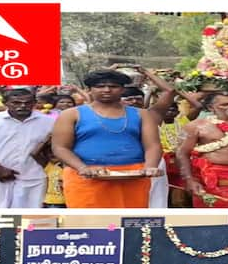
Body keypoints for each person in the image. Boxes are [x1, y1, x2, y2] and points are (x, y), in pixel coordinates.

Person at [51, 70, 163, 208]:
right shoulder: (71, 114)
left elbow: (153, 145)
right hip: (85, 177)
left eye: (113, 86)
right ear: (89, 90)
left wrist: (150, 167)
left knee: (128, 222)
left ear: (122, 89)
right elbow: (60, 147)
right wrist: (82, 168)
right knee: (90, 223)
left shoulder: (142, 114)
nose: (107, 90)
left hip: (133, 176)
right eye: (100, 86)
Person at [0, 88, 54, 208]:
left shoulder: (49, 122)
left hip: (35, 175)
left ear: (34, 103)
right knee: (3, 210)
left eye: (28, 103)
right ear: (5, 103)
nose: (23, 106)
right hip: (0, 176)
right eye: (16, 103)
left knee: (34, 210)